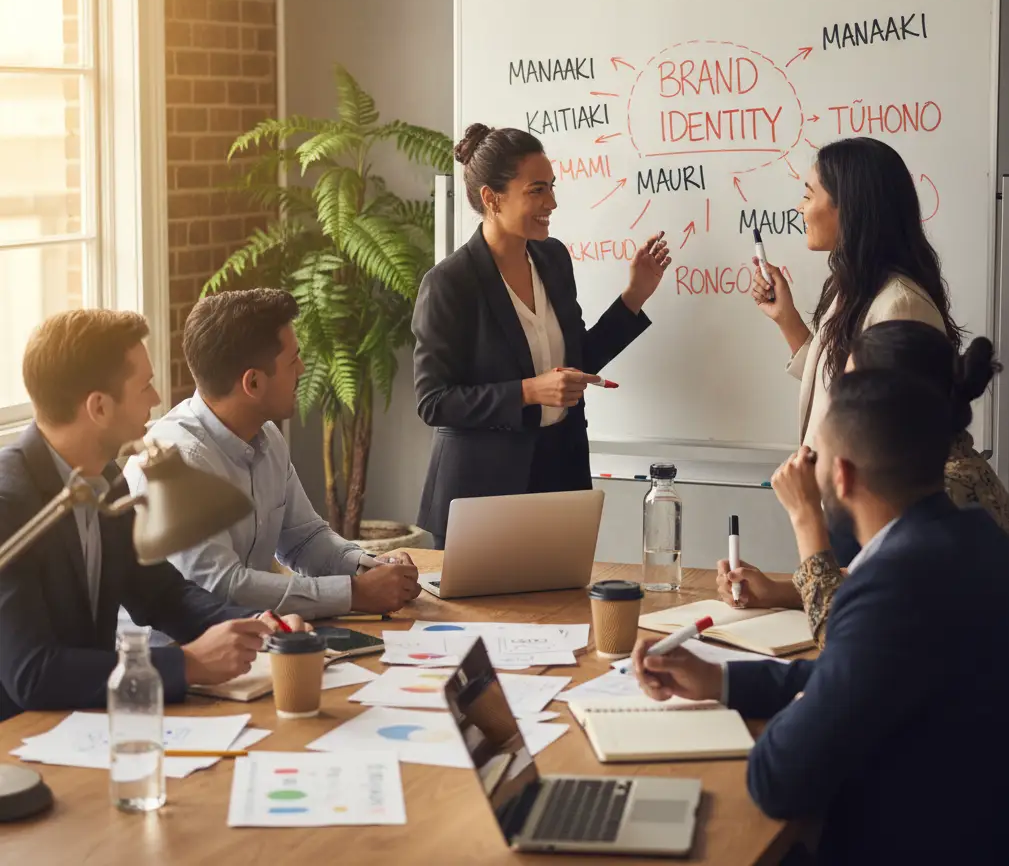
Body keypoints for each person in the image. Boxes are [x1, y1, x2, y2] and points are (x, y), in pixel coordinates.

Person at [634, 370, 1009, 865]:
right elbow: (852, 675)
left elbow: (778, 780)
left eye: (813, 457)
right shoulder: (979, 540)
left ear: (841, 476)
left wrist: (801, 705)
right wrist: (720, 680)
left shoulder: (893, 581)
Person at [0, 311, 306, 722]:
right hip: (20, 741)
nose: (156, 398)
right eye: (144, 385)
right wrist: (189, 663)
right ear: (99, 407)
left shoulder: (105, 477)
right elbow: (33, 673)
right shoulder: (9, 502)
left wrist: (257, 626)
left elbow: (161, 594)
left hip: (85, 725)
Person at [412, 124, 671, 548]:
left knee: (565, 611)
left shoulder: (553, 259)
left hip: (559, 476)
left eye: (551, 188)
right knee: (486, 616)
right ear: (491, 199)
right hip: (481, 493)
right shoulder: (449, 283)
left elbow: (574, 364)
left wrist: (633, 297)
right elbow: (433, 401)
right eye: (536, 191)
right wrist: (529, 392)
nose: (551, 202)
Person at [717, 321, 1009, 647]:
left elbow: (845, 640)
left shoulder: (939, 493)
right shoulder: (946, 470)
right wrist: (777, 591)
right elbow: (876, 585)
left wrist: (806, 517)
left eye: (850, 391)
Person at [126, 289, 420, 618]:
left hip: (252, 639)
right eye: (293, 360)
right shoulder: (179, 462)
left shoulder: (266, 435)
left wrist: (370, 567)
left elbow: (305, 540)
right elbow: (221, 588)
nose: (303, 369)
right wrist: (354, 594)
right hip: (179, 656)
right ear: (252, 383)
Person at [752, 138, 960, 562]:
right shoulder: (851, 290)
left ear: (848, 207)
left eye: (809, 195)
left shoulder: (900, 305)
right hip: (842, 507)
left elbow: (894, 434)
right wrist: (786, 320)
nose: (800, 208)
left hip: (874, 518)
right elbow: (838, 383)